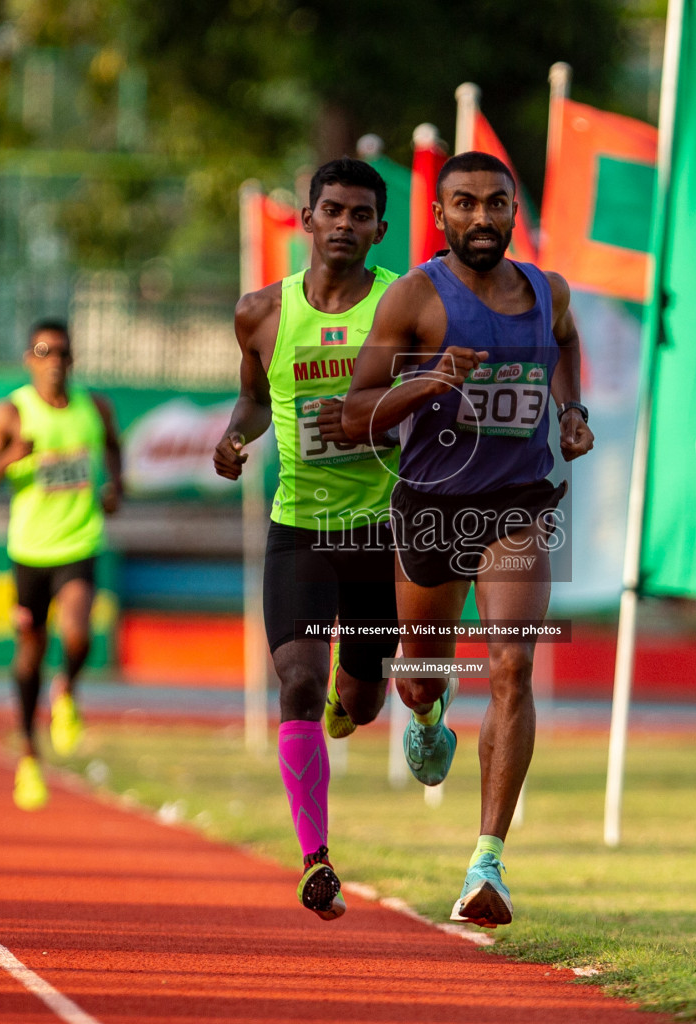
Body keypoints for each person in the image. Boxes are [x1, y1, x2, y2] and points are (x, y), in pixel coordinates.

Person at [342, 151, 594, 928]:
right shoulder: (417, 298)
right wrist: (429, 381)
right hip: (432, 505)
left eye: (495, 203)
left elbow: (566, 344)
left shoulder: (546, 291)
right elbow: (355, 414)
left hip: (516, 503)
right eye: (464, 204)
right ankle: (425, 710)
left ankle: (488, 862)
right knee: (419, 676)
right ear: (440, 216)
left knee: (513, 666)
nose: (481, 217)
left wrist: (571, 410)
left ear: (515, 211)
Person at [214, 158, 402, 922]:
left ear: (380, 230)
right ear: (309, 220)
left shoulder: (405, 303)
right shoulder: (261, 313)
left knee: (360, 700)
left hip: (385, 534)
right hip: (301, 527)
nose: (347, 226)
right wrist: (234, 437)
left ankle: (355, 701)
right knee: (295, 679)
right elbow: (255, 401)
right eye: (335, 211)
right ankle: (316, 861)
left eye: (362, 215)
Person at [0, 319, 123, 810]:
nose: (53, 360)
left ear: (72, 360)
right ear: (28, 359)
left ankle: (68, 689)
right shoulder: (12, 412)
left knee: (77, 635)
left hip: (79, 543)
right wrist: (12, 454)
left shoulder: (93, 407)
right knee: (28, 653)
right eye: (43, 351)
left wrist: (115, 486)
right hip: (30, 551)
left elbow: (115, 448)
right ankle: (29, 757)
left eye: (61, 352)